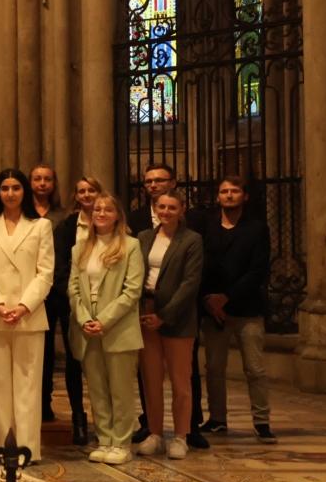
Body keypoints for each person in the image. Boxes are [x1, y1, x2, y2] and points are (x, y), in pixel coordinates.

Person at [0, 168, 56, 462]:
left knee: (27, 384)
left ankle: (27, 447)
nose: (10, 193)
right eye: (5, 188)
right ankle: (0, 447)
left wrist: (23, 306)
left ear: (25, 192)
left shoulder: (40, 226)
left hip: (28, 314)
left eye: (16, 188)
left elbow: (45, 273)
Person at [67, 194, 144, 465]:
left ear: (117, 215)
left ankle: (122, 442)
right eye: (97, 209)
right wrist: (85, 318)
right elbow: (73, 288)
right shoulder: (80, 248)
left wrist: (105, 319)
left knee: (120, 390)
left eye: (107, 209)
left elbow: (132, 290)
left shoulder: (131, 246)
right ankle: (104, 439)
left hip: (117, 327)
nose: (101, 212)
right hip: (88, 328)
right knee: (97, 389)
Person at [200, 175, 276, 443]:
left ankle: (262, 420)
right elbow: (201, 265)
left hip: (247, 307)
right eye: (224, 191)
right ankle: (218, 419)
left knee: (255, 369)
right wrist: (209, 300)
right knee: (214, 368)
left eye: (234, 191)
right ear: (217, 196)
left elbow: (258, 269)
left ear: (245, 196)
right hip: (213, 309)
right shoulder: (208, 226)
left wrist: (227, 297)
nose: (229, 195)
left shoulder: (256, 228)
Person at [136, 190, 204, 460]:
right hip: (146, 312)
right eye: (161, 207)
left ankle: (180, 435)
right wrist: (144, 310)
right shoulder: (144, 238)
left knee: (180, 380)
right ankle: (154, 433)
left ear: (181, 209)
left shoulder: (191, 240)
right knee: (150, 378)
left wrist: (164, 315)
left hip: (178, 316)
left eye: (171, 207)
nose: (165, 212)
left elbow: (190, 283)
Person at [54, 175, 103, 444]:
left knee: (102, 364)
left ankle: (106, 418)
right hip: (72, 302)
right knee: (75, 363)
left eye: (91, 190)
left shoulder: (110, 222)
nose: (86, 195)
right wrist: (74, 299)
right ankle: (78, 417)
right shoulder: (67, 226)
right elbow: (60, 266)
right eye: (81, 191)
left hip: (104, 302)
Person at [28, 164, 71, 428]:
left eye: (47, 179)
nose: (42, 183)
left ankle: (74, 412)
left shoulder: (64, 215)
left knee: (69, 351)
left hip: (61, 289)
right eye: (37, 179)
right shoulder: (25, 214)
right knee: (39, 352)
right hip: (35, 290)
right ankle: (40, 403)